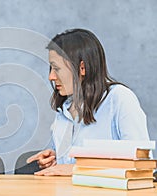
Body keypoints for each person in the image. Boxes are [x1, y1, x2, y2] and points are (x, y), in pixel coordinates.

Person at [27, 28, 151, 176]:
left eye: (57, 69)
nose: (51, 77)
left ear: (82, 68)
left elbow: (143, 166)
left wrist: (78, 169)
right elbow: (69, 168)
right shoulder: (64, 109)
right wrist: (56, 159)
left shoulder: (119, 99)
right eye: (50, 69)